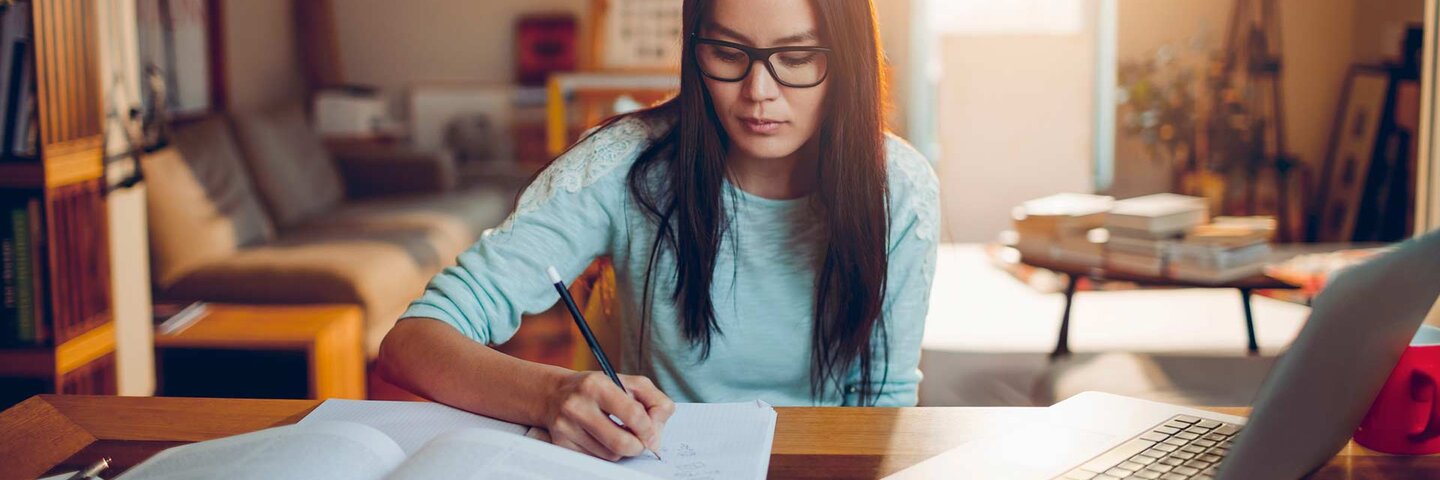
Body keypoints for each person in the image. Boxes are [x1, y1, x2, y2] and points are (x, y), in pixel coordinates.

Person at [376, 0, 939, 462]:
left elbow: (885, 405)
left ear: (849, 61)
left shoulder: (900, 188)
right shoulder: (623, 166)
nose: (758, 91)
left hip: (822, 467)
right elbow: (412, 343)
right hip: (659, 465)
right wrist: (549, 395)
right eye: (726, 52)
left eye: (795, 57)